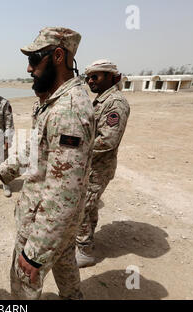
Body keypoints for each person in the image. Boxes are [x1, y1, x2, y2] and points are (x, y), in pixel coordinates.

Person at [0, 27, 95, 300]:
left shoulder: (68, 110)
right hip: (60, 224)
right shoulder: (53, 102)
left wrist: (35, 252)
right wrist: (1, 172)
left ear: (58, 56)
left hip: (43, 222)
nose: (28, 68)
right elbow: (32, 150)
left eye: (35, 60)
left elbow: (63, 193)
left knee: (24, 284)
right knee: (65, 266)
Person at [75, 59, 131, 268]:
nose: (90, 81)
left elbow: (108, 140)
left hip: (98, 168)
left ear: (110, 77)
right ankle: (84, 242)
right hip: (91, 166)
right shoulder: (101, 100)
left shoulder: (115, 103)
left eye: (95, 76)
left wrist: (78, 150)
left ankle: (85, 251)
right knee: (88, 206)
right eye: (88, 77)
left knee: (82, 208)